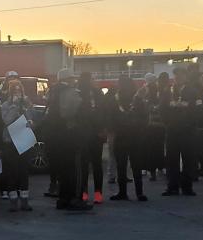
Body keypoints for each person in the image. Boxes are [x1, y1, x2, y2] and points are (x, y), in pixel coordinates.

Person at [48, 68, 91, 210]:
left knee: (63, 169)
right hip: (71, 136)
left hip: (57, 138)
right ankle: (76, 198)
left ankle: (63, 198)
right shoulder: (71, 92)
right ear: (68, 79)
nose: (74, 81)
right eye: (72, 78)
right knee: (76, 169)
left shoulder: (52, 92)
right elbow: (71, 113)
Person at [107, 75, 149, 201]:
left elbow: (111, 116)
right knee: (136, 165)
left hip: (120, 135)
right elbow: (144, 117)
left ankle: (122, 192)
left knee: (121, 165)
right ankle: (139, 192)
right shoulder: (137, 98)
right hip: (135, 136)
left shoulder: (115, 98)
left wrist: (112, 130)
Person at [0, 78, 35, 211]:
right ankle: (13, 201)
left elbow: (31, 117)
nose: (17, 92)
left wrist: (30, 120)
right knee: (12, 172)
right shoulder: (5, 105)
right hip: (10, 141)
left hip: (23, 139)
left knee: (24, 172)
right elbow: (7, 120)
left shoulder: (26, 103)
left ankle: (24, 200)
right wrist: (14, 106)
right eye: (15, 90)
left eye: (19, 89)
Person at [163, 67, 198, 197]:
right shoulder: (168, 91)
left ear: (185, 77)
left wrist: (187, 111)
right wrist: (167, 122)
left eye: (180, 76)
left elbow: (197, 109)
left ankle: (187, 187)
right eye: (176, 76)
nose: (178, 79)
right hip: (172, 130)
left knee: (188, 159)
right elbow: (163, 108)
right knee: (172, 160)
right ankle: (172, 186)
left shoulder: (192, 91)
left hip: (187, 130)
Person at [77, 72, 106, 204]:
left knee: (84, 165)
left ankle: (84, 193)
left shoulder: (79, 93)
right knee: (96, 164)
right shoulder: (97, 93)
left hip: (85, 133)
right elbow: (102, 112)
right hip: (95, 133)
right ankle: (97, 193)